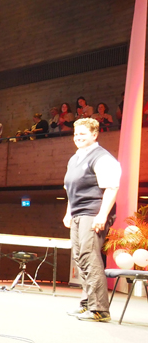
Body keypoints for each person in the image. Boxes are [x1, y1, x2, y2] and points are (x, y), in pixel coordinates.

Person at [63, 117, 121, 322]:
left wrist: (102, 215)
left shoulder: (101, 157)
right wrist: (69, 212)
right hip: (78, 213)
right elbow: (71, 189)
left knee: (89, 257)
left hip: (93, 212)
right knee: (79, 258)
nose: (78, 137)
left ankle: (99, 310)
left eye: (82, 134)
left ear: (94, 135)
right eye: (75, 134)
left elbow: (112, 187)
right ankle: (87, 304)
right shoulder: (75, 158)